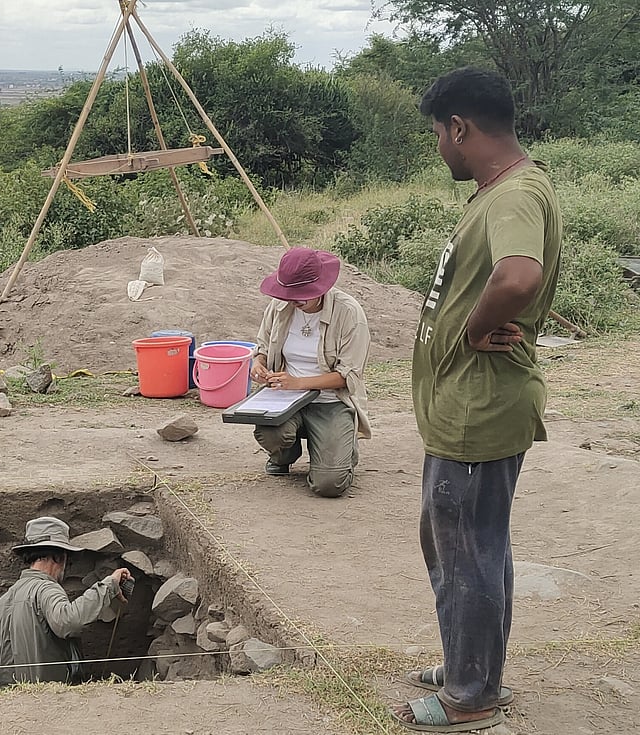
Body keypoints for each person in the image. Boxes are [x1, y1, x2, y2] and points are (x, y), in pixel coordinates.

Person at [391, 67, 562, 732]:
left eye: (439, 134)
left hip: (477, 408)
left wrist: (473, 326)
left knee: (467, 548)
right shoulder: (507, 190)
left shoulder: (513, 195)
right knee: (468, 544)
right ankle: (474, 662)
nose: (440, 147)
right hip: (468, 407)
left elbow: (519, 276)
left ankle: (472, 695)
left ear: (459, 127)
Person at [251, 247, 371, 497]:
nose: (293, 300)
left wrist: (298, 383)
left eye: (300, 295)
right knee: (267, 429)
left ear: (321, 287)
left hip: (331, 401)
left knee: (329, 486)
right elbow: (261, 346)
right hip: (285, 398)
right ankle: (286, 453)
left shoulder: (348, 312)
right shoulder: (279, 307)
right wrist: (258, 364)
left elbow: (347, 376)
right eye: (288, 294)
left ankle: (342, 449)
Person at [0, 516, 133, 686]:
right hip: (48, 702)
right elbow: (69, 622)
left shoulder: (3, 601)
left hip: (13, 703)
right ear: (59, 557)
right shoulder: (46, 589)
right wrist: (108, 585)